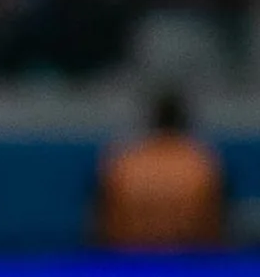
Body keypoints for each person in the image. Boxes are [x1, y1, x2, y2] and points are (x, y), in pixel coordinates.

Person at [93, 92, 227, 250]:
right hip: (188, 263)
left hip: (129, 262)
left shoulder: (123, 163)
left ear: (151, 121)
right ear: (184, 121)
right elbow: (216, 227)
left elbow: (101, 227)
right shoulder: (203, 164)